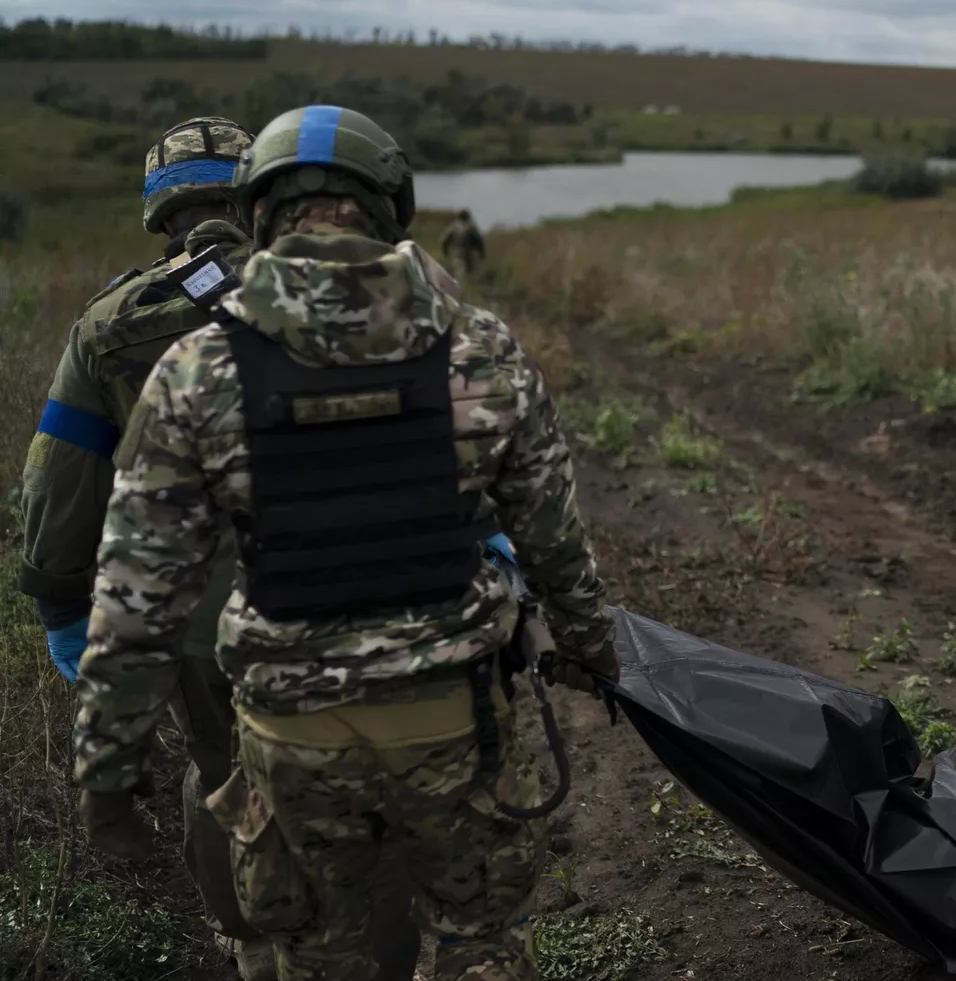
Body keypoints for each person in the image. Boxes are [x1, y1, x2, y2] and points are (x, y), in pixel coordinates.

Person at [70, 104, 618, 981]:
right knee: (479, 941)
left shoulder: (198, 371)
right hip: (456, 720)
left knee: (320, 951)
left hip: (292, 736)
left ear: (259, 212)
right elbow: (555, 543)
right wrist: (594, 654)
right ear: (390, 201)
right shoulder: (481, 350)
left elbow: (137, 598)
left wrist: (107, 771)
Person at [17, 116, 285, 977]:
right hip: (340, 593)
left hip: (193, 615)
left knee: (219, 770)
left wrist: (62, 601)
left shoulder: (110, 325)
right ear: (253, 192)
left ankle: (251, 953)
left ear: (158, 208)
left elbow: (60, 487)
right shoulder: (330, 289)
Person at [440, 208, 486, 283]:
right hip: (469, 251)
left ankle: (461, 287)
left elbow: (444, 240)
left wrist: (445, 251)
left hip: (457, 251)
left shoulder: (453, 227)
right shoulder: (471, 227)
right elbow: (479, 241)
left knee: (460, 271)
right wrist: (481, 253)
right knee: (469, 272)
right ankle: (467, 287)